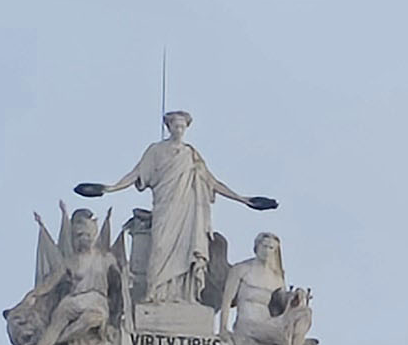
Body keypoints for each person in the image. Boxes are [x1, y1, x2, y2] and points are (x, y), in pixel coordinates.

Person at [77, 111, 272, 310]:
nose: (179, 130)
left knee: (186, 252)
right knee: (160, 248)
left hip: (188, 214)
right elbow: (136, 174)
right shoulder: (156, 151)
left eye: (182, 127)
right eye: (175, 126)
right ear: (168, 127)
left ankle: (185, 296)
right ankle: (154, 292)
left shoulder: (191, 155)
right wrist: (110, 188)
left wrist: (243, 199)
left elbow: (213, 183)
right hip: (165, 209)